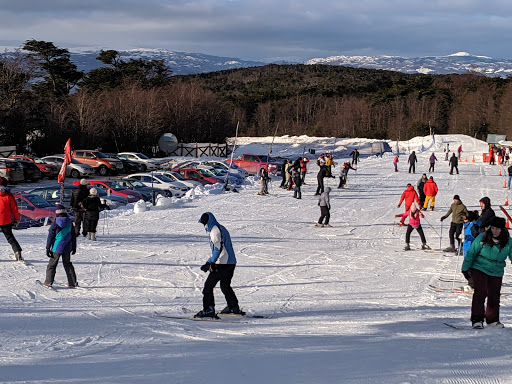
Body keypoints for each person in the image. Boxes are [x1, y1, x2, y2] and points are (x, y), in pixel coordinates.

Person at [461, 216, 512, 329]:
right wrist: (465, 268)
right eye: (493, 228)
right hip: (480, 267)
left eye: (497, 229)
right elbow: (471, 253)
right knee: (481, 292)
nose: (495, 231)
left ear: (502, 230)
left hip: (497, 269)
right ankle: (477, 319)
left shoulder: (508, 242)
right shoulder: (482, 237)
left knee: (494, 295)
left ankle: (492, 319)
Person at [196, 212, 240, 318]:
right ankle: (233, 307)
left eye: (203, 223)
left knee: (208, 287)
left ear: (207, 222)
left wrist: (211, 263)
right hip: (230, 262)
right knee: (225, 286)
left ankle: (208, 310)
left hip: (222, 263)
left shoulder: (215, 231)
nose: (203, 226)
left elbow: (217, 248)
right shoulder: (220, 228)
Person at [44, 205, 78, 287]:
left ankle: (48, 282)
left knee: (52, 265)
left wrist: (48, 248)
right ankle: (72, 282)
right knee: (68, 264)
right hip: (67, 247)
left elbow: (51, 236)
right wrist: (74, 247)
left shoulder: (55, 223)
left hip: (57, 247)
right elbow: (73, 235)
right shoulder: (70, 222)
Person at [0, 177, 22, 261]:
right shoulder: (9, 195)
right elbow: (15, 209)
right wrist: (17, 219)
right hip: (6, 220)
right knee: (10, 237)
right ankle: (18, 252)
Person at [462, 210, 481, 289]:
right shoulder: (467, 225)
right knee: (465, 269)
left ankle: (472, 284)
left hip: (471, 249)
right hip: (467, 248)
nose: (463, 219)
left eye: (465, 218)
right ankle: (474, 282)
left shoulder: (473, 226)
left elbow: (476, 236)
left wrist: (466, 237)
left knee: (468, 269)